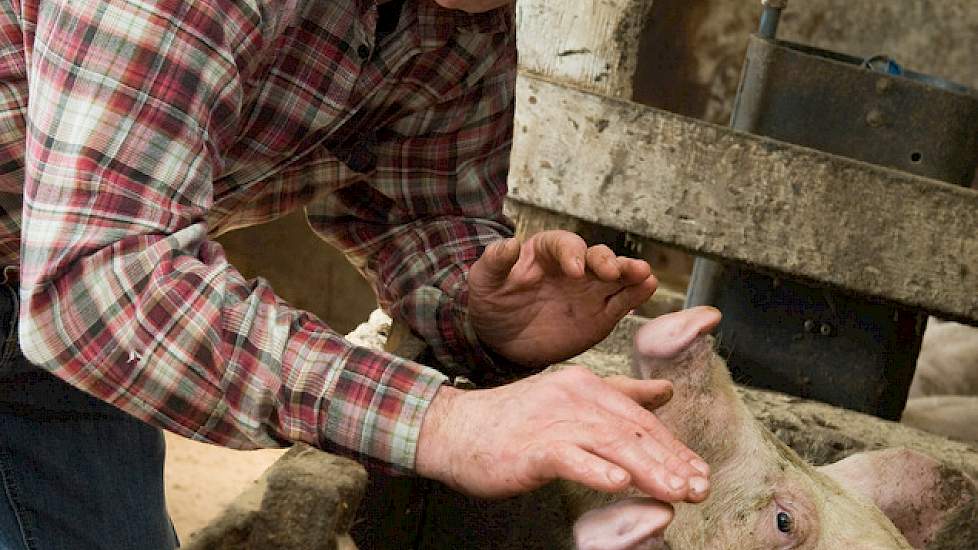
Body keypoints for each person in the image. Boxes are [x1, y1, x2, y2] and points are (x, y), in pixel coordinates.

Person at [0, 0, 709, 547]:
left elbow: (415, 205)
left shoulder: (467, 19)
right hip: (68, 289)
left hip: (41, 317)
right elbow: (98, 281)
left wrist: (478, 306)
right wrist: (444, 422)